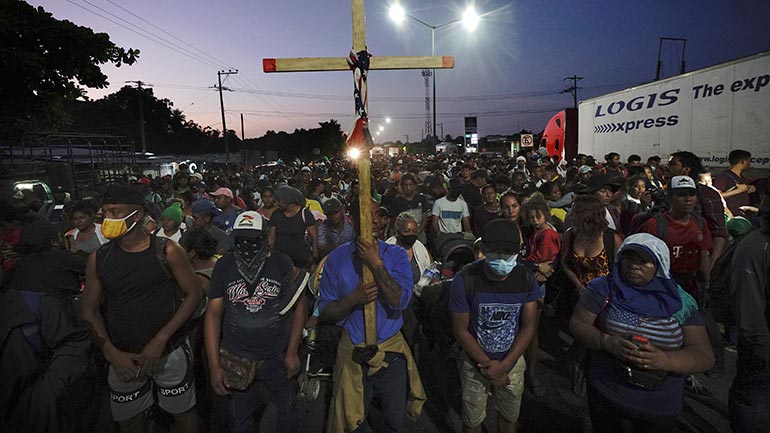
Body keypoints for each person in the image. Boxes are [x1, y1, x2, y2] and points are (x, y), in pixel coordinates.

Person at [81, 184, 203, 433]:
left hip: (169, 354)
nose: (107, 219)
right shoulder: (99, 258)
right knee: (130, 421)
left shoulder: (167, 250)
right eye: (105, 212)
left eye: (115, 212)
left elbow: (194, 295)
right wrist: (111, 353)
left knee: (183, 415)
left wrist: (161, 339)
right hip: (123, 359)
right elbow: (89, 311)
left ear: (137, 216)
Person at [569, 233, 715, 433]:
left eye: (644, 261)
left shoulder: (681, 302)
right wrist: (606, 342)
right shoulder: (604, 287)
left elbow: (704, 355)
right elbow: (578, 323)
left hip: (659, 405)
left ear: (660, 265)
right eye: (629, 258)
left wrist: (665, 360)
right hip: (607, 393)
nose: (634, 266)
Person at [318, 198, 426, 433]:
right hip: (353, 353)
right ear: (352, 220)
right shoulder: (337, 259)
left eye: (379, 214)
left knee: (394, 422)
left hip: (391, 353)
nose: (375, 220)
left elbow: (399, 300)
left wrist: (376, 263)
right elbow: (325, 310)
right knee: (352, 422)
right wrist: (353, 299)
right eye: (368, 214)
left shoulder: (396, 255)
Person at [204, 211, 309, 433]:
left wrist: (292, 351)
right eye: (241, 239)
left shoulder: (281, 262)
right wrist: (214, 365)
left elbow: (300, 305)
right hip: (237, 356)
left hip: (277, 355)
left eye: (253, 240)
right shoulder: (224, 266)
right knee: (240, 420)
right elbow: (213, 314)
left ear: (264, 237)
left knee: (288, 414)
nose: (247, 245)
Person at [449, 219, 541, 433]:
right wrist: (489, 366)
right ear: (484, 249)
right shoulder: (465, 279)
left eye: (509, 253)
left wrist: (504, 365)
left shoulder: (525, 278)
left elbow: (528, 327)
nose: (503, 259)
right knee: (472, 421)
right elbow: (460, 330)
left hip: (512, 362)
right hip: (474, 363)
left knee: (509, 417)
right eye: (496, 252)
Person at [728, 193, 770, 433]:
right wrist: (760, 345)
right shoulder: (754, 247)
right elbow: (749, 303)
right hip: (762, 346)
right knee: (750, 397)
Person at [520, 198, 561, 397]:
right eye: (532, 218)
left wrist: (533, 264)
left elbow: (545, 258)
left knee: (530, 328)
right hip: (532, 280)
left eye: (538, 216)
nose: (535, 220)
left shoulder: (547, 234)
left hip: (536, 284)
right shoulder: (538, 233)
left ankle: (530, 371)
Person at [268, 185, 318, 269]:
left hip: (302, 262)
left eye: (278, 201)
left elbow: (314, 238)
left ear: (287, 201)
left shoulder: (305, 214)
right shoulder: (276, 215)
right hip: (281, 261)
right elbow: (271, 237)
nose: (276, 204)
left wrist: (315, 260)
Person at [388, 173, 431, 243]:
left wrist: (417, 232)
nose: (408, 188)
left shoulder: (421, 199)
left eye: (410, 185)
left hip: (419, 235)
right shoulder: (397, 201)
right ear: (402, 186)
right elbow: (393, 221)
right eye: (406, 185)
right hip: (403, 236)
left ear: (415, 186)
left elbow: (424, 219)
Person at [713, 149, 756, 217]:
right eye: (749, 161)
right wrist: (739, 190)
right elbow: (716, 195)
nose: (750, 164)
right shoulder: (724, 177)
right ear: (743, 161)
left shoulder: (741, 178)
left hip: (743, 218)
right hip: (730, 219)